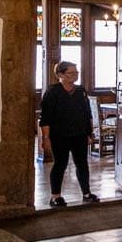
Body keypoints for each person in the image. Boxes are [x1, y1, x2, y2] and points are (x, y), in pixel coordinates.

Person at [39, 61, 99, 207]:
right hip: (60, 135)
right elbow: (46, 117)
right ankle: (55, 196)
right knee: (60, 164)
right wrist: (46, 138)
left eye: (76, 73)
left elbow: (87, 114)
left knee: (82, 164)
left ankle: (86, 193)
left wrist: (89, 133)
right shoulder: (52, 92)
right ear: (60, 75)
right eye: (71, 73)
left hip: (79, 134)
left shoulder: (80, 91)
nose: (75, 75)